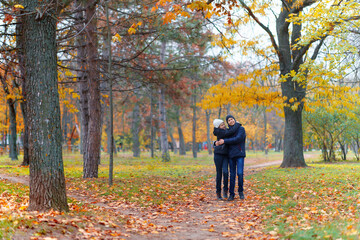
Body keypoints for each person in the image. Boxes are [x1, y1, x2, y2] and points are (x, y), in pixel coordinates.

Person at [216, 115, 246, 201]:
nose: (231, 121)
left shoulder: (241, 129)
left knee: (240, 174)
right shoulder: (228, 131)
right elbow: (218, 134)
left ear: (234, 119)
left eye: (232, 119)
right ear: (227, 122)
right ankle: (231, 194)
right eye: (228, 120)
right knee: (232, 175)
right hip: (231, 155)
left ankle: (241, 191)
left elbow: (238, 139)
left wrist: (225, 141)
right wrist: (216, 142)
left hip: (240, 154)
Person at [212, 119, 240, 200]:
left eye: (224, 124)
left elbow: (231, 132)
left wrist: (214, 142)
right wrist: (237, 124)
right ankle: (218, 192)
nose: (224, 126)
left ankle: (225, 190)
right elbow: (230, 132)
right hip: (218, 154)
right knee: (219, 173)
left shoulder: (225, 130)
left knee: (225, 172)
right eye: (222, 125)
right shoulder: (219, 131)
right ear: (218, 127)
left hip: (226, 155)